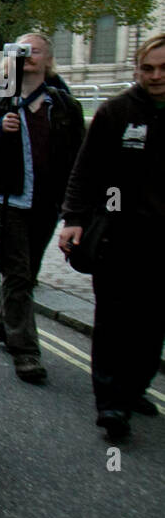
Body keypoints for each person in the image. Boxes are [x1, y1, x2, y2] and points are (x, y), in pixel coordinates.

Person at [59, 33, 165, 437]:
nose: (155, 76)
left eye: (163, 69)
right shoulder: (115, 112)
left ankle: (134, 386)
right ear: (137, 70)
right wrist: (73, 218)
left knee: (152, 324)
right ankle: (111, 403)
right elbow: (84, 171)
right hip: (119, 234)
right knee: (114, 320)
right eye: (148, 68)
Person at [0, 32, 85, 383]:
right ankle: (26, 351)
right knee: (17, 270)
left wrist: (76, 210)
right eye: (22, 50)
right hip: (5, 198)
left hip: (47, 202)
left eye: (36, 50)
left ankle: (5, 324)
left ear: (48, 58)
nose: (29, 55)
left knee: (27, 271)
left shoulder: (63, 105)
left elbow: (80, 159)